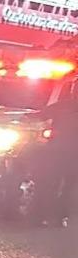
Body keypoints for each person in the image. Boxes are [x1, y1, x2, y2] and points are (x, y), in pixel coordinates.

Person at [37, 89, 78, 229]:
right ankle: (58, 216)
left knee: (53, 185)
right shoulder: (61, 105)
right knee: (67, 186)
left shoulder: (61, 105)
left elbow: (39, 116)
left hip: (58, 152)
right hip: (65, 153)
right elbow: (39, 116)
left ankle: (47, 216)